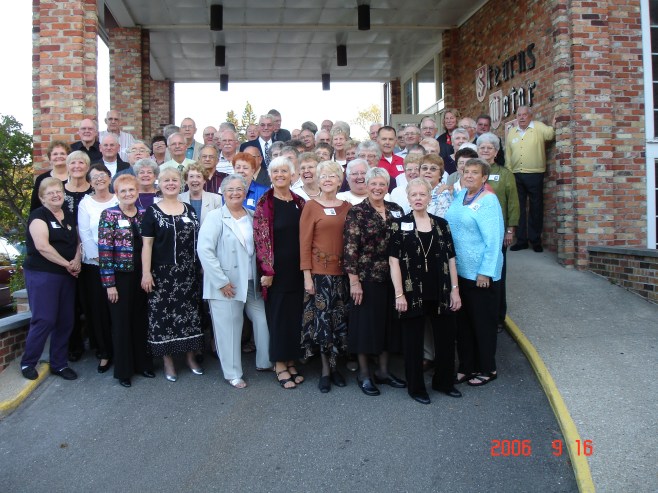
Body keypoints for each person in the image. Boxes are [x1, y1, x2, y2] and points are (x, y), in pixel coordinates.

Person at [389, 177, 463, 404]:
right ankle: (416, 388)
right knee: (413, 343)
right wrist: (399, 294)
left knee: (446, 339)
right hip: (412, 292)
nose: (418, 198)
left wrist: (455, 290)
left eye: (422, 194)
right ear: (408, 198)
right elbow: (393, 262)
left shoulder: (441, 224)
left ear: (430, 198)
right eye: (414, 195)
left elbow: (451, 259)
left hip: (441, 291)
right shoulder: (398, 225)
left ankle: (444, 382)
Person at [197, 174, 272, 389]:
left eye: (239, 189)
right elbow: (204, 250)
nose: (235, 193)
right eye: (230, 189)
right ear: (223, 192)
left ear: (246, 192)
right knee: (229, 329)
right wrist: (221, 281)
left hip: (251, 281)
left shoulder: (251, 215)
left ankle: (265, 362)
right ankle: (233, 373)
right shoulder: (215, 217)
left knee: (263, 321)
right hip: (226, 284)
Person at [343, 167, 406, 397]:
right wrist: (354, 282)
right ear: (367, 186)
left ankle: (383, 371)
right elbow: (350, 249)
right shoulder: (357, 212)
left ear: (387, 186)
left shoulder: (396, 209)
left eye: (382, 184)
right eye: (374, 184)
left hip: (393, 277)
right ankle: (364, 374)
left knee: (388, 324)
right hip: (367, 278)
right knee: (364, 327)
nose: (378, 188)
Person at [444, 158, 504, 387]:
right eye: (466, 171)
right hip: (460, 272)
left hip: (480, 276)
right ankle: (467, 366)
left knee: (482, 324)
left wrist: (485, 272)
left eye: (474, 172)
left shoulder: (489, 200)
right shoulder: (461, 195)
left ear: (484, 177)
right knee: (464, 325)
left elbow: (494, 239)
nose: (469, 175)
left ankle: (488, 368)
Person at [140, 167, 205, 381]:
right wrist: (146, 273)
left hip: (188, 274)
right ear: (159, 184)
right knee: (163, 317)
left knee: (189, 315)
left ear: (181, 184)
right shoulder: (152, 212)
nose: (170, 183)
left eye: (174, 180)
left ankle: (190, 357)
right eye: (166, 180)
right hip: (162, 274)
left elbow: (198, 241)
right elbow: (147, 245)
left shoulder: (189, 210)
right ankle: (167, 361)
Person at [20, 178, 81, 381]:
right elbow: (42, 246)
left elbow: (78, 241)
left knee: (65, 320)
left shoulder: (68, 214)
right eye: (50, 193)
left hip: (67, 275)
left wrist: (77, 260)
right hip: (43, 274)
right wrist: (67, 264)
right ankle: (28, 362)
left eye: (58, 191)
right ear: (42, 198)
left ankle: (59, 364)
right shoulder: (38, 216)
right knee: (44, 319)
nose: (55, 195)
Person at [254, 157, 306, 389]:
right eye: (275, 171)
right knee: (278, 317)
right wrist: (267, 270)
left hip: (298, 270)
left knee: (294, 316)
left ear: (292, 174)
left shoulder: (299, 201)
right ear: (270, 175)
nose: (280, 175)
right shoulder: (265, 202)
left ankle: (291, 359)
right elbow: (260, 238)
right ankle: (279, 363)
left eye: (284, 171)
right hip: (276, 272)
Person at [98, 174, 155, 387]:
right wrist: (109, 284)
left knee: (140, 320)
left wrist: (148, 273)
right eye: (123, 191)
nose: (128, 194)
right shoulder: (109, 214)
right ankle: (124, 371)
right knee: (121, 323)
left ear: (137, 192)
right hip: (120, 277)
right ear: (116, 193)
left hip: (142, 275)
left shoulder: (144, 214)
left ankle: (143, 364)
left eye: (131, 190)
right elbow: (104, 251)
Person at [300, 161, 351, 393]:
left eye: (333, 176)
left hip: (343, 275)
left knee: (339, 322)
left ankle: (336, 367)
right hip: (320, 275)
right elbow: (304, 244)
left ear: (340, 181)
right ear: (318, 181)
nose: (328, 180)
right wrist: (307, 276)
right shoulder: (311, 206)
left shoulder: (348, 207)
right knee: (322, 323)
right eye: (324, 176)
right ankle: (325, 371)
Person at [78, 163, 119, 374]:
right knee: (99, 311)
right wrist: (103, 261)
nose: (99, 179)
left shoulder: (119, 198)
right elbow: (85, 234)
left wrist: (116, 260)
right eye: (94, 177)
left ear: (110, 178)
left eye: (102, 175)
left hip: (122, 264)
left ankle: (122, 351)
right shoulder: (85, 204)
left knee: (119, 311)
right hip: (95, 266)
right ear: (90, 182)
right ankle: (105, 353)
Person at [477, 133, 520, 331]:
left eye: (490, 148)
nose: (485, 151)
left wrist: (510, 229)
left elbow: (513, 203)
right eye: (482, 147)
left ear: (496, 152)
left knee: (497, 276)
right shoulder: (472, 172)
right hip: (476, 234)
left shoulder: (505, 174)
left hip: (498, 233)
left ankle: (497, 317)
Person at [505, 106, 556, 252]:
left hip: (535, 174)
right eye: (519, 115)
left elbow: (550, 135)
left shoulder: (538, 127)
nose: (521, 117)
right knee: (519, 208)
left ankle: (535, 240)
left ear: (530, 116)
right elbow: (508, 153)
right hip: (516, 174)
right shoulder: (512, 132)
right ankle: (521, 241)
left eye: (525, 115)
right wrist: (509, 171)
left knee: (536, 208)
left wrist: (554, 124)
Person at [30, 141, 71, 212]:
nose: (59, 156)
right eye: (55, 154)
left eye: (62, 153)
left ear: (68, 157)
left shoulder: (75, 177)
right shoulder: (41, 179)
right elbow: (35, 206)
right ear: (50, 158)